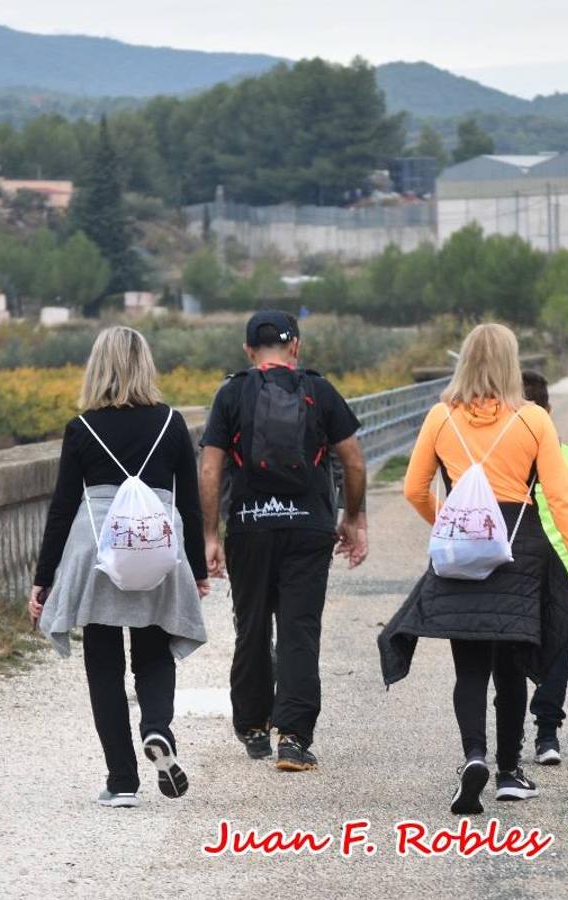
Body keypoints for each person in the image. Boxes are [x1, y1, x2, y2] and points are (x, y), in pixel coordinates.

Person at [379, 324, 568, 815]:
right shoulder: (534, 422)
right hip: (520, 549)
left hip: (464, 553)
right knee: (511, 668)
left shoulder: (441, 417)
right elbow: (562, 501)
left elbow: (414, 488)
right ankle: (508, 771)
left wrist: (449, 524)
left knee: (470, 666)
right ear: (509, 362)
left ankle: (473, 756)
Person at [30, 326, 209, 809]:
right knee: (154, 649)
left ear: (98, 366)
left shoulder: (82, 429)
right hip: (155, 547)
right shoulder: (172, 423)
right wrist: (197, 570)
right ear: (145, 364)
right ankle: (157, 728)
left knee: (103, 665)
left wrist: (44, 580)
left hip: (98, 553)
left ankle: (122, 780)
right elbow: (189, 504)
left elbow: (63, 508)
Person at [199, 310, 369, 773]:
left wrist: (211, 534)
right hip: (309, 527)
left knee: (252, 624)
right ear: (296, 346)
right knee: (299, 628)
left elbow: (211, 469)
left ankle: (253, 726)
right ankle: (293, 738)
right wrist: (353, 518)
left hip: (250, 528)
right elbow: (353, 462)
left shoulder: (232, 392)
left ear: (249, 350)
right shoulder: (320, 390)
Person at [520, 371, 568, 766]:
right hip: (560, 569)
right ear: (548, 410)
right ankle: (547, 734)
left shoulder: (504, 457)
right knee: (558, 650)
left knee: (511, 652)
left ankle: (509, 734)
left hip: (514, 568)